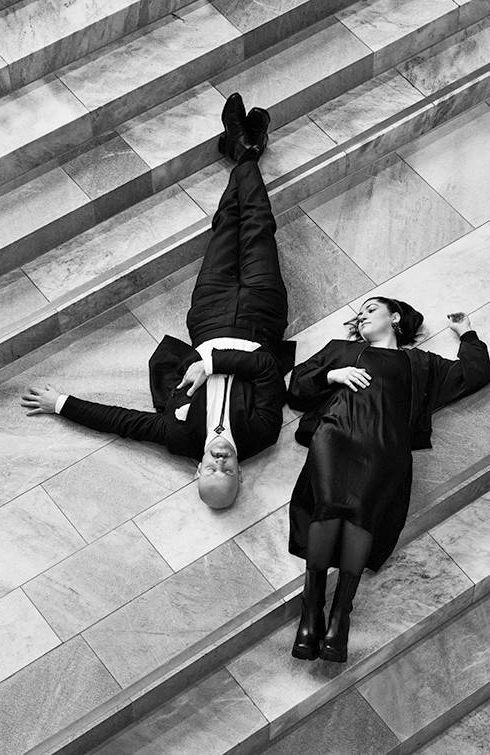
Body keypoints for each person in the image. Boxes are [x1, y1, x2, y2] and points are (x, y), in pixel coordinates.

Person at [21, 93, 294, 510]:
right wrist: (211, 366)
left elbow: (124, 423)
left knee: (225, 227)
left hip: (209, 315)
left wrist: (61, 404)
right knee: (257, 225)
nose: (220, 463)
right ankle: (243, 151)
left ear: (197, 470)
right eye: (227, 472)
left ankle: (243, 150)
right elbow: (266, 369)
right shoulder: (261, 434)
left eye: (211, 470)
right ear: (241, 474)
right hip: (262, 313)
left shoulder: (182, 436)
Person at [285, 297, 490, 662]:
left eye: (371, 310)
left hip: (385, 449)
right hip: (335, 436)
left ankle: (340, 615)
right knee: (327, 507)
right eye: (360, 314)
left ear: (394, 317)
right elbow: (297, 387)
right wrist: (332, 375)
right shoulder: (341, 351)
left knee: (362, 519)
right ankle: (311, 609)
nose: (362, 317)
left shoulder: (420, 364)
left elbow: (474, 374)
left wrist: (467, 334)